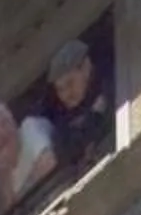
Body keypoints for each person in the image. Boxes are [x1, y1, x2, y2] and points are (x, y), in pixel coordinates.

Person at [0, 102, 61, 215]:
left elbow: (49, 166)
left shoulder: (29, 127)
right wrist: (4, 180)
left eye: (4, 123)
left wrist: (18, 198)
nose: (3, 133)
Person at [45, 37, 115, 176]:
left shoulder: (109, 83)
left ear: (86, 67)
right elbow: (65, 153)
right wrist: (94, 117)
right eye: (60, 89)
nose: (66, 95)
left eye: (70, 83)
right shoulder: (62, 119)